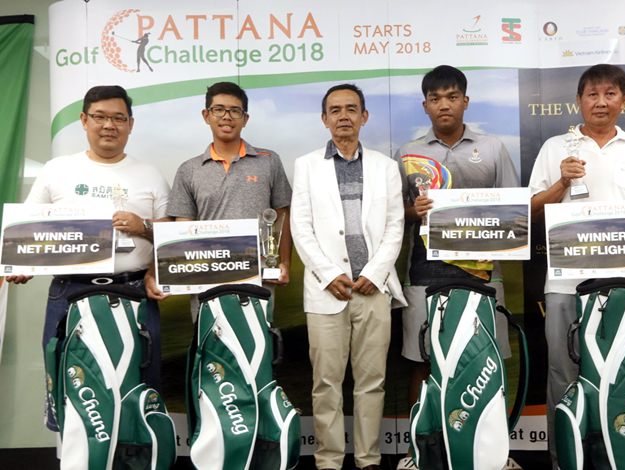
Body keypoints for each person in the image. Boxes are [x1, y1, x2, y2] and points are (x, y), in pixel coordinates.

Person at [528, 63, 625, 468]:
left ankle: (621, 456)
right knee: (563, 374)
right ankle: (563, 460)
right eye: (592, 94)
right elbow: (529, 212)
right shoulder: (556, 147)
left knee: (624, 370)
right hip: (566, 285)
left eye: (610, 94)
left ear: (624, 101)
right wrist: (561, 183)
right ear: (579, 101)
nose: (600, 102)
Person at [6, 85, 170, 430]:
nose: (109, 125)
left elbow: (170, 238)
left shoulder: (150, 173)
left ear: (130, 124)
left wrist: (145, 226)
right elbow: (27, 232)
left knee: (138, 393)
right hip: (70, 294)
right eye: (100, 117)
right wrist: (23, 265)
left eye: (118, 118)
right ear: (84, 120)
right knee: (73, 393)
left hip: (134, 294)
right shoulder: (57, 169)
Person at [393, 65, 519, 470]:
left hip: (484, 271)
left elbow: (513, 209)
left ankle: (495, 452)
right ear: (425, 105)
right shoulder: (408, 154)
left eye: (452, 97)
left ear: (465, 101)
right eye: (435, 98)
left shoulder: (494, 147)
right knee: (422, 359)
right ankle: (420, 451)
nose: (444, 105)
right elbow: (396, 215)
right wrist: (415, 210)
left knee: (487, 358)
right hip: (425, 270)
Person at [290, 83, 406, 470]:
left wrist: (375, 272)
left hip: (373, 290)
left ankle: (369, 458)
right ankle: (328, 460)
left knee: (372, 381)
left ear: (364, 117)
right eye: (335, 110)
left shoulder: (386, 167)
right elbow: (301, 228)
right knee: (326, 383)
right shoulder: (306, 165)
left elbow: (395, 225)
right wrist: (328, 274)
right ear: (324, 119)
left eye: (351, 109)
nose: (343, 116)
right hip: (328, 291)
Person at [146, 81, 292, 309]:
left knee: (258, 341)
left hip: (258, 280)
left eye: (235, 111)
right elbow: (184, 230)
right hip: (206, 283)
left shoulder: (269, 161)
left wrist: (284, 264)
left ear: (245, 119)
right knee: (210, 342)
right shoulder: (189, 169)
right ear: (206, 115)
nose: (227, 117)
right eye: (219, 110)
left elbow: (282, 217)